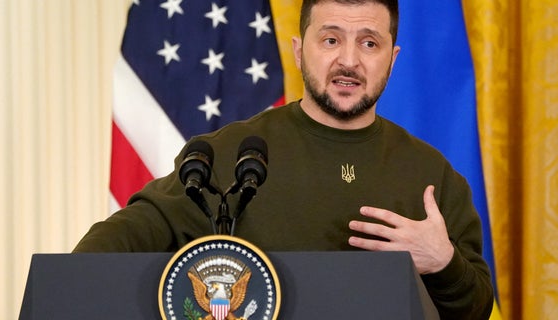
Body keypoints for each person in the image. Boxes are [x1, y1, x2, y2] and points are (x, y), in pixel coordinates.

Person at [74, 0, 494, 318]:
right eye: (331, 39)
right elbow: (128, 235)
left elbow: (474, 307)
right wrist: (71, 285)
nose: (349, 61)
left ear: (393, 58)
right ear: (298, 50)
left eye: (369, 43)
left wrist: (443, 263)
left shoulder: (431, 173)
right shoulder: (229, 153)